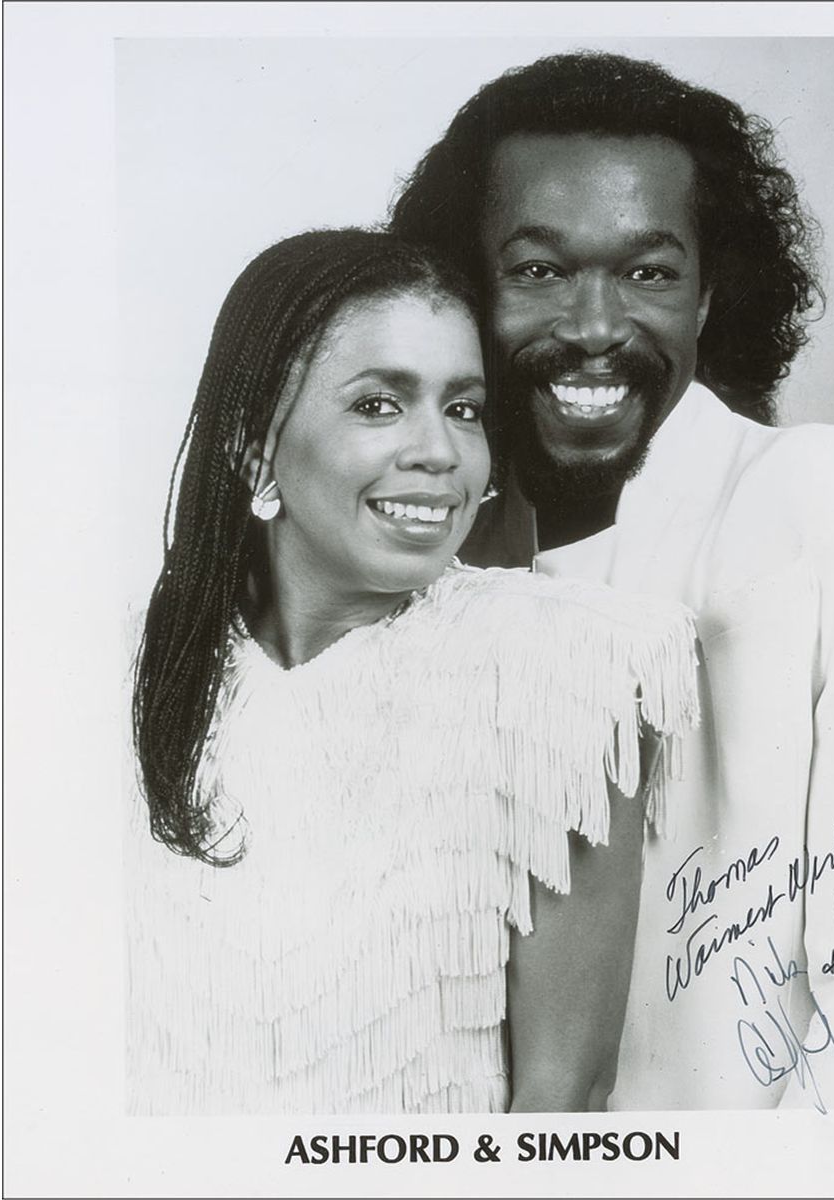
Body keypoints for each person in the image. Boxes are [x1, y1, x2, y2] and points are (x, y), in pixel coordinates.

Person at [126, 229, 700, 1115]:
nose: (441, 452)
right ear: (252, 448)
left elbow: (564, 1096)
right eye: (379, 405)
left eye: (463, 408)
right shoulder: (116, 673)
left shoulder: (561, 670)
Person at [390, 50, 834, 1110]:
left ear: (710, 296)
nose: (595, 328)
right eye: (539, 271)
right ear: (465, 291)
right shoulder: (422, 557)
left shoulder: (820, 498)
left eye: (649, 273)